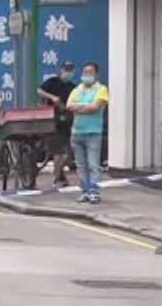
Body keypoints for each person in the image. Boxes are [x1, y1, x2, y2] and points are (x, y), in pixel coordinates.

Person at [66, 62, 110, 204]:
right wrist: (86, 106)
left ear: (96, 75)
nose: (86, 75)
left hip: (93, 133)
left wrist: (79, 107)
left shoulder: (101, 89)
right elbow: (69, 105)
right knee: (81, 166)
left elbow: (95, 107)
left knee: (93, 165)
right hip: (77, 133)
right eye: (84, 72)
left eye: (90, 72)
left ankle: (94, 192)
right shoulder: (77, 89)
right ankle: (84, 191)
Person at [40, 60, 76, 188]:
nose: (68, 72)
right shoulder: (52, 82)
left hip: (67, 120)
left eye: (70, 70)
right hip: (53, 120)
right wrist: (52, 97)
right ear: (60, 70)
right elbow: (39, 91)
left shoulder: (73, 87)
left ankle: (60, 175)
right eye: (66, 69)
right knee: (57, 152)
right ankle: (57, 178)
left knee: (67, 153)